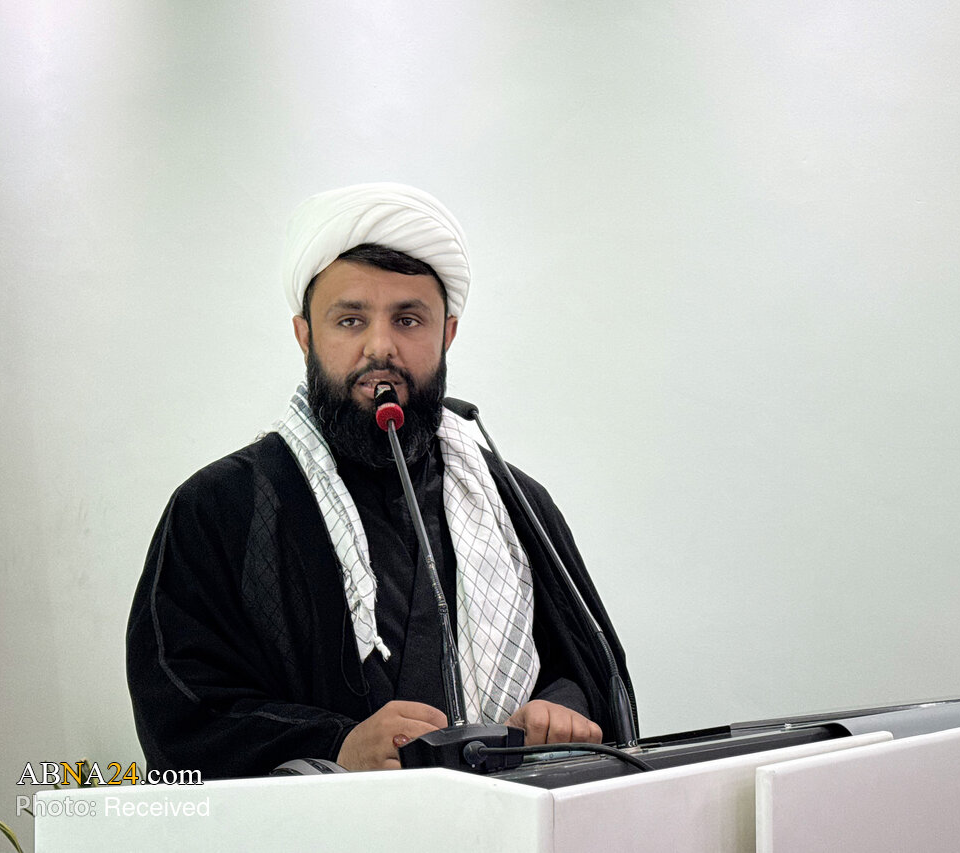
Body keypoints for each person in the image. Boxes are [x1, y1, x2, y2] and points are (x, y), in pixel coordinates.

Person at [126, 183, 635, 778]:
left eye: (408, 320)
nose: (380, 348)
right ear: (305, 336)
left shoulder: (515, 502)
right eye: (350, 320)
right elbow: (182, 707)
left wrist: (564, 709)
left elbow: (590, 667)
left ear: (447, 334)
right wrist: (337, 746)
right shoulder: (219, 506)